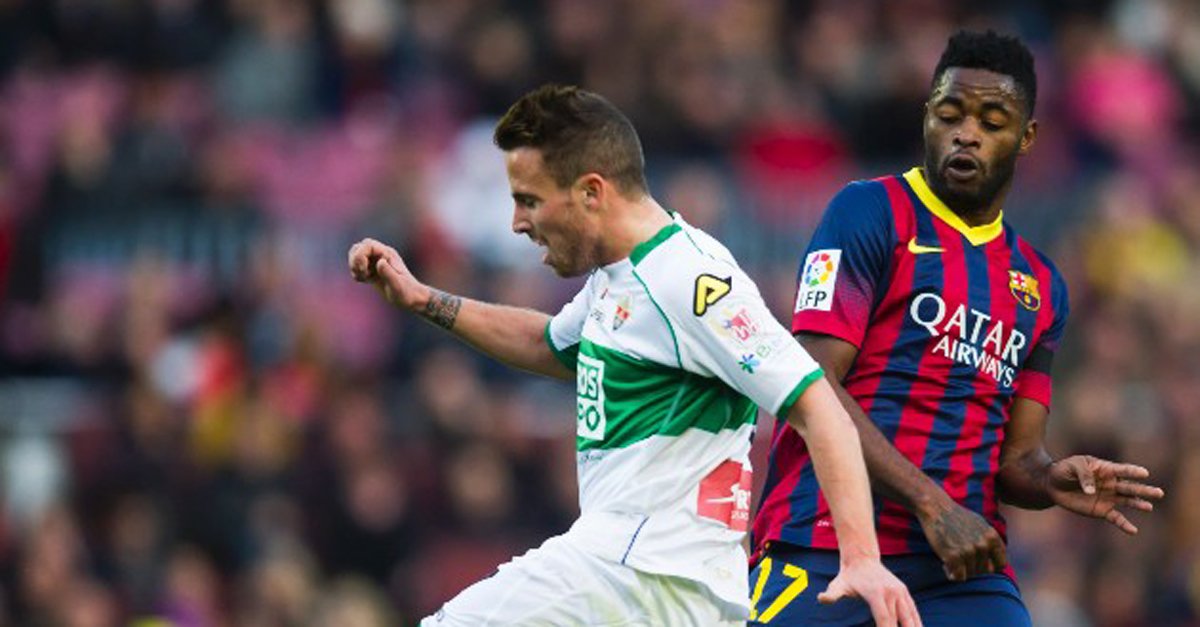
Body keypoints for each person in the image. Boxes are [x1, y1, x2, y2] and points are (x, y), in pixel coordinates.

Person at [348, 84, 920, 626]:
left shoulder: (690, 279)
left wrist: (861, 558)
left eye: (529, 201)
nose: (518, 222)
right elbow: (549, 344)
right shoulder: (620, 275)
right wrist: (425, 300)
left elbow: (818, 403)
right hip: (652, 584)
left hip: (646, 572)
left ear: (592, 191)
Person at [749, 30, 1166, 626]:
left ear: (1026, 138)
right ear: (927, 119)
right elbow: (811, 383)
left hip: (960, 568)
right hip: (824, 539)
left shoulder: (1041, 286)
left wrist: (1050, 481)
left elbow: (1015, 458)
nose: (967, 132)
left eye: (993, 121)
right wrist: (931, 504)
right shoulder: (869, 211)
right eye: (951, 114)